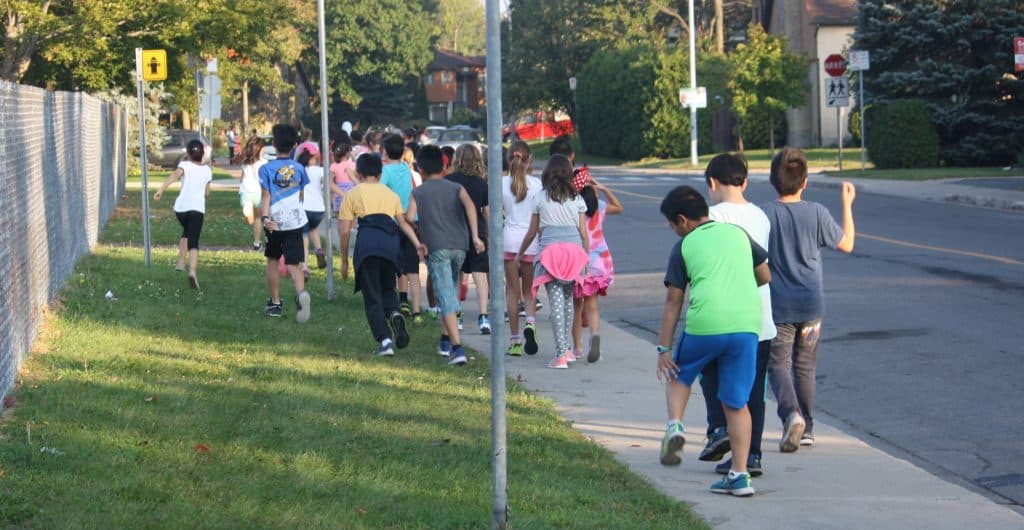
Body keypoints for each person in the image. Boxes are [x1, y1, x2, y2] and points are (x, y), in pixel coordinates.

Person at [656, 185, 771, 497]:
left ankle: (676, 426)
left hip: (706, 324)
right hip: (747, 326)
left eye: (672, 225)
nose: (674, 231)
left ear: (683, 220)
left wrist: (664, 349)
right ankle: (740, 475)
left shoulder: (685, 246)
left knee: (678, 372)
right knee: (736, 402)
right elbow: (765, 275)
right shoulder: (737, 233)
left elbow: (672, 301)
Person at [762, 147, 856, 452]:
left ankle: (791, 414)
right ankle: (807, 428)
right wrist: (846, 204)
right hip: (812, 305)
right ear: (804, 182)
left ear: (772, 180)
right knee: (804, 367)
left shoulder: (765, 215)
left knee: (778, 364)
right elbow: (847, 244)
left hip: (779, 306)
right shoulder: (817, 212)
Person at [694, 154, 774, 478]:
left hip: (723, 316)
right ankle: (752, 454)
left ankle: (719, 429)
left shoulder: (710, 217)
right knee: (755, 388)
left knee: (710, 373)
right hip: (761, 316)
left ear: (712, 183)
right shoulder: (761, 216)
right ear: (745, 182)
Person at [338, 153, 425, 357]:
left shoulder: (353, 194)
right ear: (380, 172)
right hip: (390, 246)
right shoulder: (390, 194)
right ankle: (395, 313)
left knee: (372, 296)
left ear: (358, 173)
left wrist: (343, 260)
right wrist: (417, 243)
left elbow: (344, 230)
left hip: (368, 246)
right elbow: (402, 222)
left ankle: (385, 341)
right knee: (388, 287)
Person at [407, 145, 484, 366]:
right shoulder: (456, 187)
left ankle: (457, 348)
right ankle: (444, 339)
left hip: (437, 247)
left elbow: (410, 217)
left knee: (445, 295)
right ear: (443, 166)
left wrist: (417, 230)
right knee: (448, 290)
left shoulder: (418, 192)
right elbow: (470, 206)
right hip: (460, 246)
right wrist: (476, 236)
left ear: (420, 169)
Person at [517, 155, 589, 369]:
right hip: (575, 253)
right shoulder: (577, 199)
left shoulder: (540, 197)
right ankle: (567, 348)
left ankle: (560, 356)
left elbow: (532, 232)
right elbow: (583, 232)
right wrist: (586, 259)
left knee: (556, 303)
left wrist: (521, 253)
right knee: (568, 303)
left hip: (551, 254)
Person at [259, 124, 311, 323]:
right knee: (294, 263)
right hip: (295, 220)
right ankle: (301, 294)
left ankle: (275, 303)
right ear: (294, 145)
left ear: (273, 144)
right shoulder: (299, 168)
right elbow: (301, 194)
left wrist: (265, 218)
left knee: (273, 260)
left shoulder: (266, 169)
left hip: (274, 221)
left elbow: (266, 196)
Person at [570, 169, 623, 363]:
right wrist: (605, 189)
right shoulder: (600, 207)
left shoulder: (574, 207)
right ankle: (595, 336)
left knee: (577, 308)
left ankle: (577, 348)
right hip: (600, 261)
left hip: (579, 261)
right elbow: (619, 207)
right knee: (592, 306)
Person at [153, 140, 211, 290]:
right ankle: (192, 271)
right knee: (193, 240)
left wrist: (161, 189)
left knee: (187, 231)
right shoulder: (207, 171)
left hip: (180, 209)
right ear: (202, 154)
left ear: (188, 154)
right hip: (196, 209)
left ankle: (180, 261)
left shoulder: (184, 165)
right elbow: (207, 192)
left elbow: (174, 175)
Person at [502, 141, 542, 356]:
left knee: (511, 290)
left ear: (509, 159)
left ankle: (515, 340)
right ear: (530, 160)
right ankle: (531, 322)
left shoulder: (501, 184)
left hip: (509, 241)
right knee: (529, 291)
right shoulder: (536, 185)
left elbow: (494, 210)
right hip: (531, 243)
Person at [446, 144, 491, 335]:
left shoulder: (448, 181)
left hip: (455, 232)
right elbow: (486, 212)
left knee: (457, 275)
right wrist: (488, 233)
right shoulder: (481, 184)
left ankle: (457, 314)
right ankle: (483, 316)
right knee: (480, 275)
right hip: (477, 233)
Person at [380, 134, 422, 321]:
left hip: (395, 221)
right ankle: (416, 310)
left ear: (386, 152)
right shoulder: (407, 168)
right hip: (413, 222)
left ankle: (401, 299)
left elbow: (379, 192)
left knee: (398, 265)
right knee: (412, 267)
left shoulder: (386, 171)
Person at [296, 142, 327, 276]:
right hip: (319, 210)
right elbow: (325, 182)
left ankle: (304, 266)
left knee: (304, 236)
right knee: (313, 228)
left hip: (304, 208)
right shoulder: (320, 170)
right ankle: (319, 250)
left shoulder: (299, 170)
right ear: (313, 158)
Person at [238, 136, 266, 251]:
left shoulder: (245, 163)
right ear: (260, 149)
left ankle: (248, 213)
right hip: (258, 193)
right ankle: (257, 242)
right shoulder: (264, 163)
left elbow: (241, 179)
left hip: (246, 192)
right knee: (258, 219)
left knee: (251, 218)